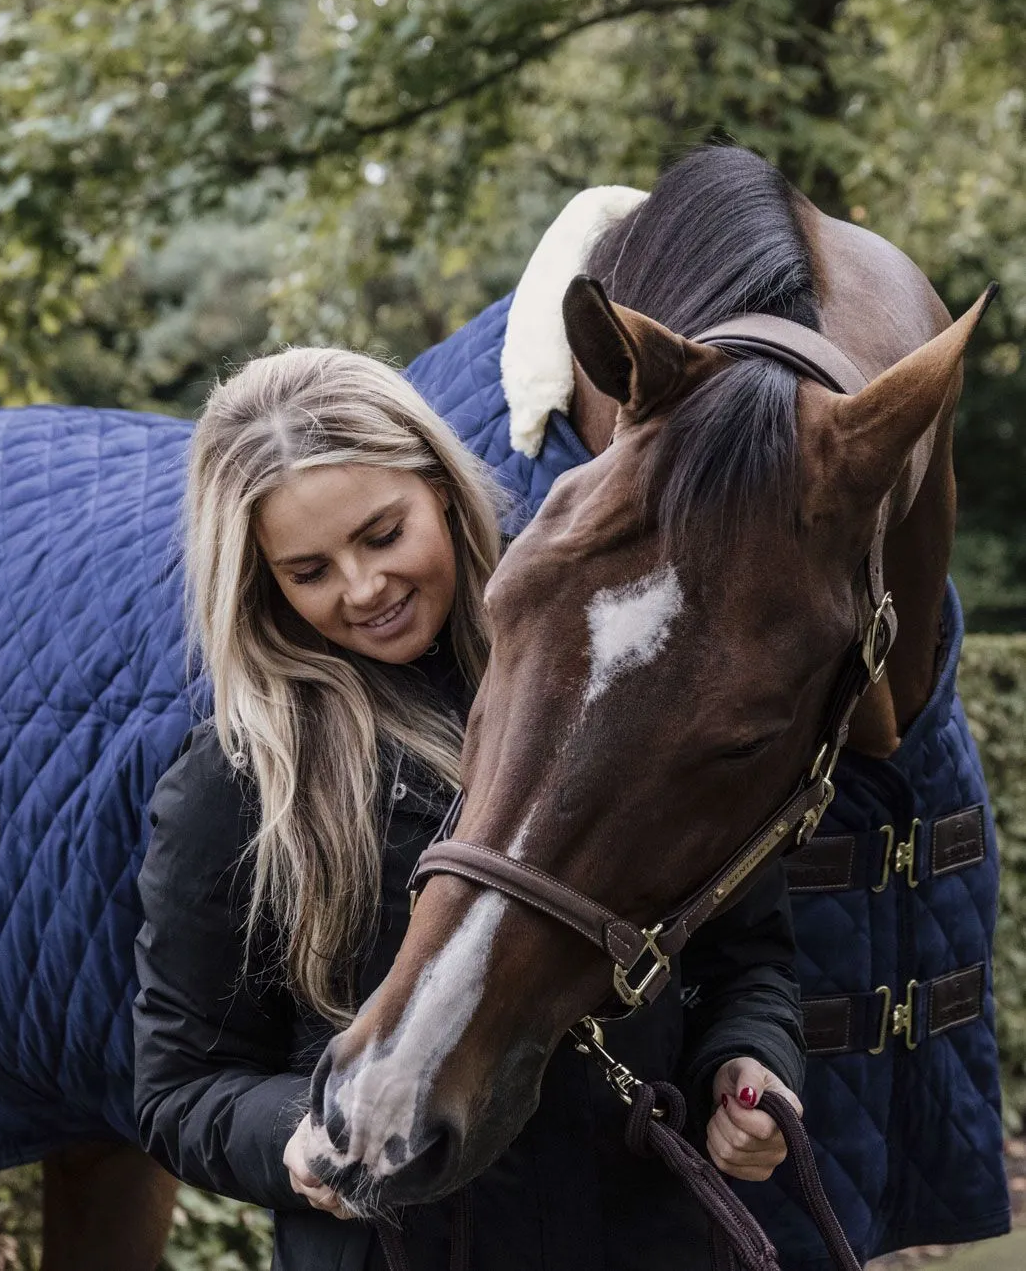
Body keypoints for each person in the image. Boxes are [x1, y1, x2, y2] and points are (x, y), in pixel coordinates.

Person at [132, 345, 805, 1270]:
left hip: (644, 1237)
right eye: (309, 570)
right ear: (262, 584)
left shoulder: (609, 684)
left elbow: (745, 951)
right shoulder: (245, 778)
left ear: (441, 489)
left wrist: (748, 1061)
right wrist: (297, 1135)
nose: (363, 589)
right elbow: (176, 1087)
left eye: (381, 534)